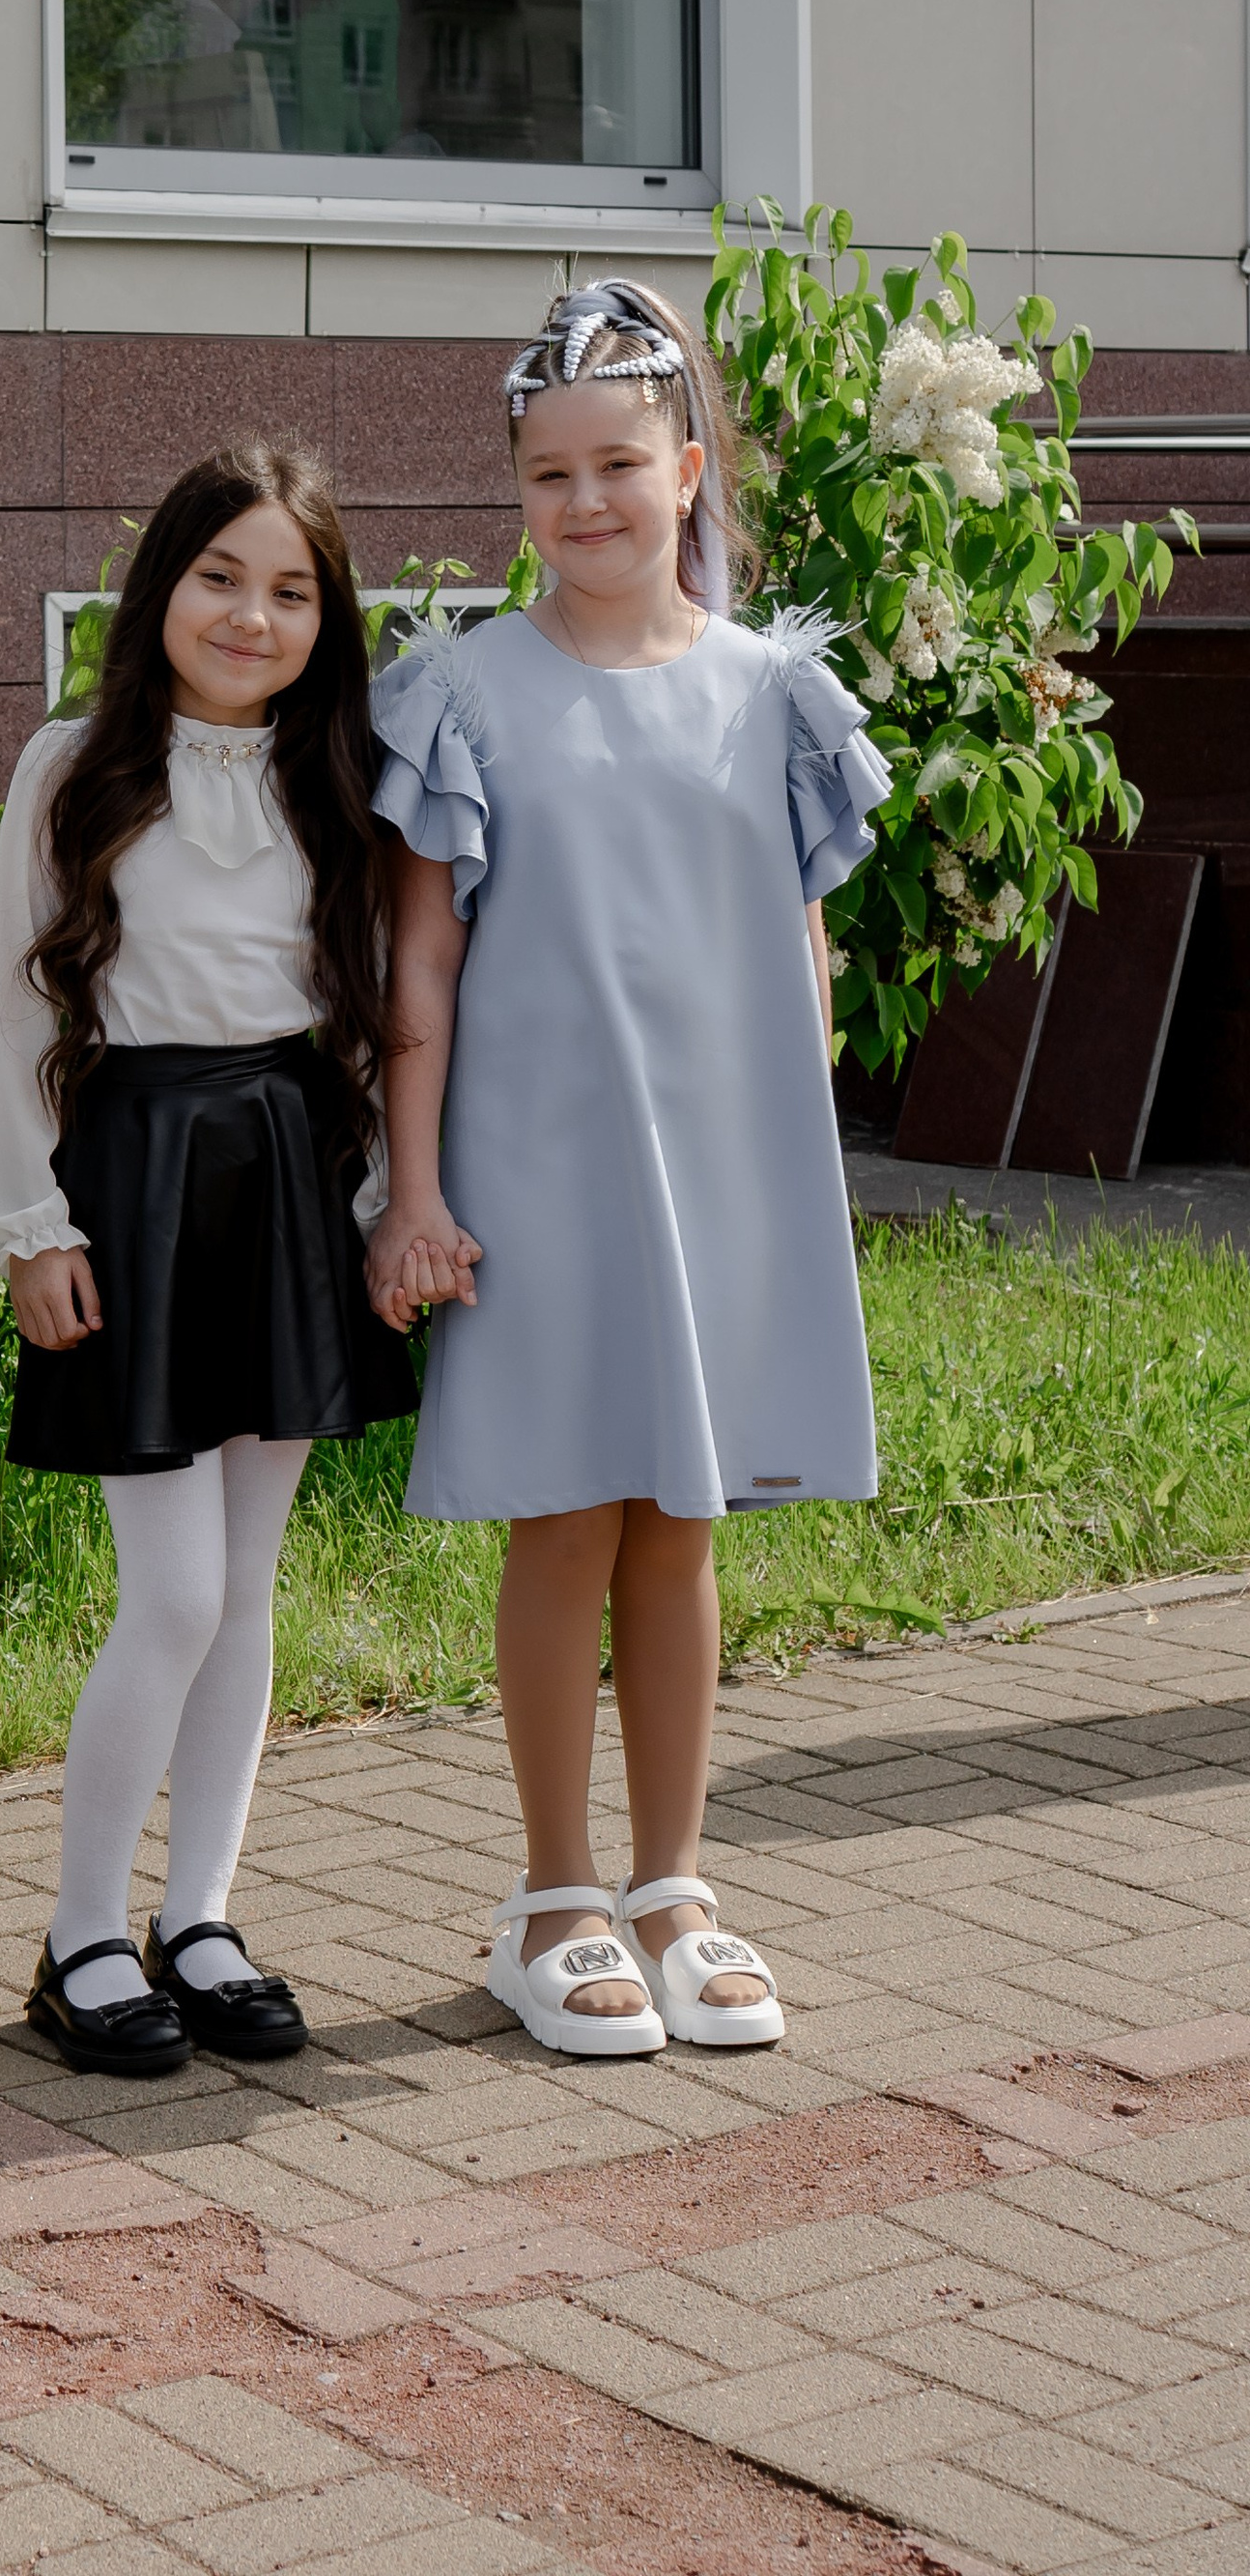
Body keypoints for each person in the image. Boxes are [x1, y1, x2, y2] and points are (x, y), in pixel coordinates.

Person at [367, 279, 890, 2059]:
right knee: (567, 1513)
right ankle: (554, 1896)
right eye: (548, 474)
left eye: (617, 465)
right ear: (517, 490)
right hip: (537, 1177)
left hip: (717, 1177)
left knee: (684, 1521)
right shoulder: (464, 694)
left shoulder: (772, 693)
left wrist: (789, 1176)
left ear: (688, 470)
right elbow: (421, 964)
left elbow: (799, 950)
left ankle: (674, 1883)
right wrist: (414, 1193)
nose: (585, 502)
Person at [0, 444, 415, 2076]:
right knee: (176, 1592)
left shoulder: (343, 774)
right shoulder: (74, 763)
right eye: (221, 576)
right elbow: (13, 1004)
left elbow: (375, 1005)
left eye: (291, 591)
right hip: (135, 1180)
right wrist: (28, 1227)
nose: (251, 616)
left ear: (327, 619)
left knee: (247, 1590)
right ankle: (81, 1933)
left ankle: (200, 1917)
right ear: (162, 585)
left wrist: (382, 1206)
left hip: (289, 1174)